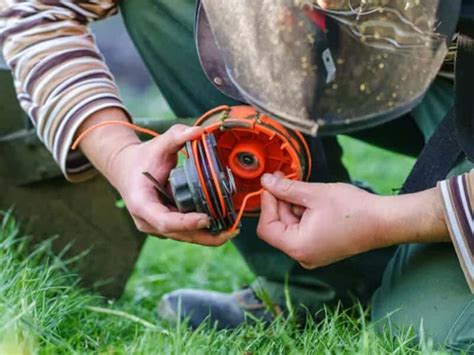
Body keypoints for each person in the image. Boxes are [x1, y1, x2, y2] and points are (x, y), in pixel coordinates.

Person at [1, 0, 473, 350]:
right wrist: (120, 156)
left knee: (424, 333)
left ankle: (404, 249)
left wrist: (399, 219)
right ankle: (318, 283)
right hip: (397, 52)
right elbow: (35, 11)